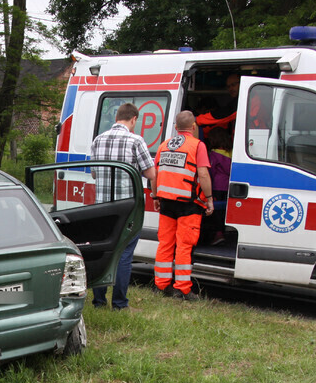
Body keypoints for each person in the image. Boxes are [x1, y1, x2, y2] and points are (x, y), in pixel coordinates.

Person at [88, 102, 156, 311]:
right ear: (133, 119)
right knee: (124, 254)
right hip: (127, 208)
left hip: (102, 208)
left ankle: (99, 301)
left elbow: (93, 173)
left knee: (104, 251)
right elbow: (151, 174)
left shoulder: (98, 140)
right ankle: (119, 303)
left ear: (117, 117)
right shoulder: (136, 140)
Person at [151, 110, 213, 301]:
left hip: (167, 202)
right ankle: (183, 289)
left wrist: (155, 196)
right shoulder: (197, 145)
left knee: (165, 244)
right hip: (189, 204)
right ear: (193, 127)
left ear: (176, 128)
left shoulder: (164, 145)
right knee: (184, 246)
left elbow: (155, 173)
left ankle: (161, 285)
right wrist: (209, 198)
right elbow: (202, 174)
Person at [203, 127, 232, 245]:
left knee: (216, 211)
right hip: (229, 186)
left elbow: (210, 172)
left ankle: (218, 233)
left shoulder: (214, 154)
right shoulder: (232, 152)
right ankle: (225, 233)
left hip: (217, 186)